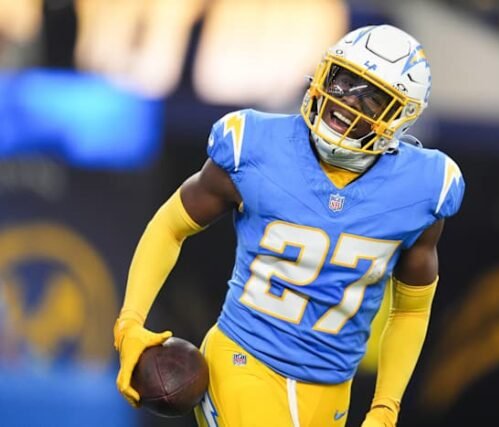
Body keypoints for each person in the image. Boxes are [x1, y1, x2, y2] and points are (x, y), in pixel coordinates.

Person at [113, 24, 465, 427]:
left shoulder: (423, 188)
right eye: (343, 80)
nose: (347, 101)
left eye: (372, 98)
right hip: (245, 360)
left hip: (332, 389)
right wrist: (129, 324)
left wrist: (386, 406)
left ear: (400, 118)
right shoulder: (256, 146)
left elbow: (411, 310)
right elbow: (170, 226)